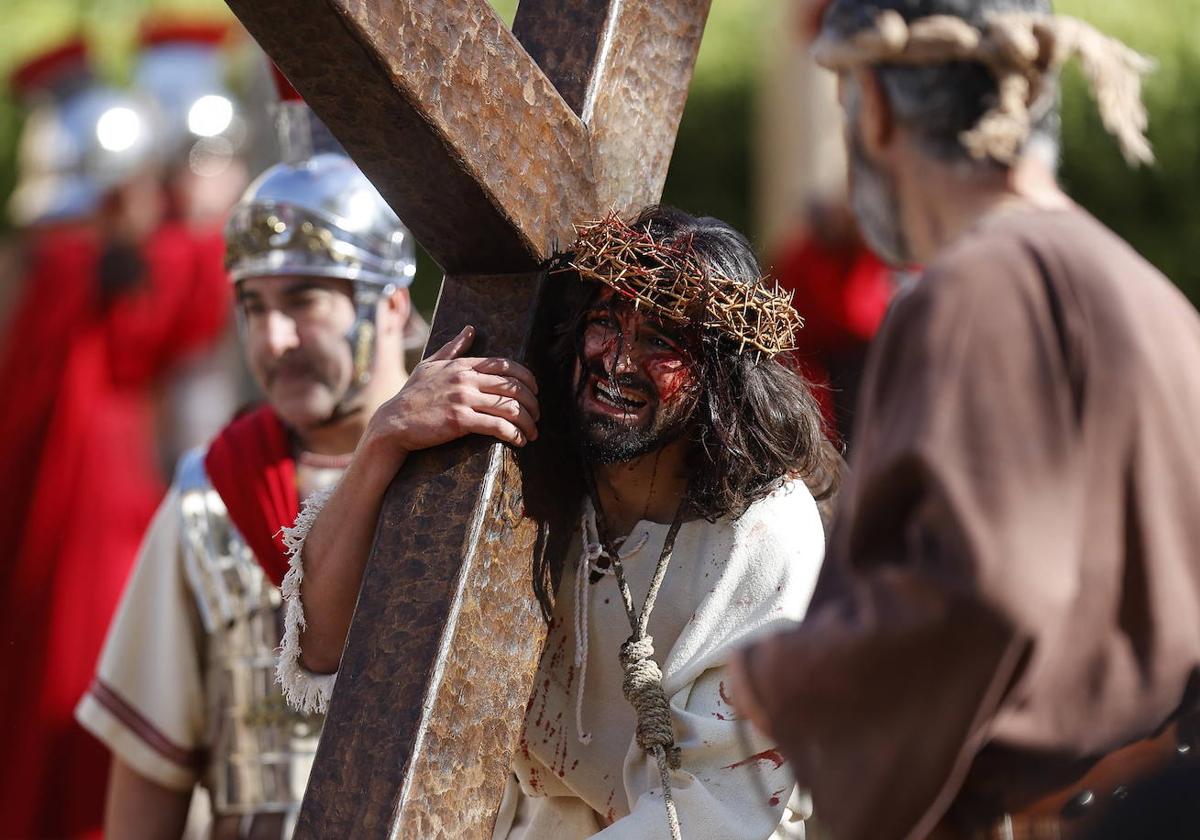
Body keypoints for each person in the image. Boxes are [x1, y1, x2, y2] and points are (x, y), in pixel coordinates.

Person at [729, 2, 1200, 839]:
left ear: (872, 107)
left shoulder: (970, 293)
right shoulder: (1157, 301)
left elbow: (986, 586)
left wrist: (790, 683)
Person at [277, 206, 839, 839]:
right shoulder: (516, 462)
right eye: (605, 323)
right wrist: (384, 437)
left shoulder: (767, 535)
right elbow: (320, 646)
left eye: (661, 340)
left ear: (719, 376)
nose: (620, 361)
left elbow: (716, 813)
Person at [74, 90, 420, 839]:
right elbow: (150, 771)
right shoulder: (212, 496)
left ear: (390, 305)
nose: (274, 339)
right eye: (253, 306)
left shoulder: (469, 483)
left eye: (304, 301)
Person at [0, 40, 231, 839]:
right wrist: (206, 209)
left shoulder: (55, 266)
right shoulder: (73, 272)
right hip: (83, 544)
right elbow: (185, 292)